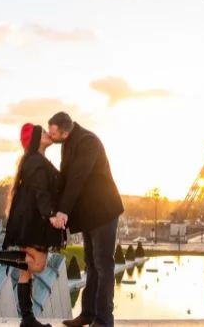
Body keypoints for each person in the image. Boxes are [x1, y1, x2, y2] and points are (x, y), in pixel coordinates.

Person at [0, 123, 64, 327]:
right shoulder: (36, 161)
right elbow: (41, 191)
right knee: (37, 264)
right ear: (35, 140)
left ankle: (27, 319)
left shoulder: (34, 160)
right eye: (43, 132)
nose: (48, 134)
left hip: (28, 218)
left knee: (26, 270)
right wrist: (51, 215)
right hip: (33, 221)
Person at [48, 112, 124, 327]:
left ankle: (103, 320)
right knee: (91, 265)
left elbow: (78, 177)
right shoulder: (69, 142)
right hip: (90, 214)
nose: (51, 137)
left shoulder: (88, 141)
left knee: (103, 264)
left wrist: (63, 211)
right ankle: (88, 314)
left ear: (65, 131)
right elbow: (65, 178)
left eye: (54, 134)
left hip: (103, 212)